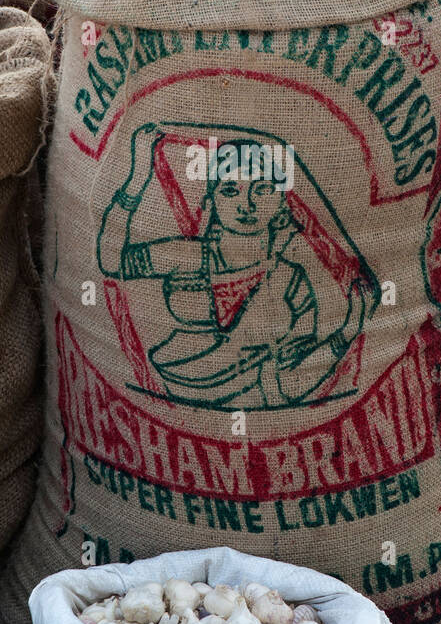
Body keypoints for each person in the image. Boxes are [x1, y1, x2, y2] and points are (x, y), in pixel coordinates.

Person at [97, 123, 369, 410]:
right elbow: (111, 262)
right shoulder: (188, 256)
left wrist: (348, 331)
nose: (246, 204)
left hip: (258, 417)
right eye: (230, 190)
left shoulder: (290, 281)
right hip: (168, 401)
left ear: (281, 201)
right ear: (212, 200)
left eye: (262, 189)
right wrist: (137, 178)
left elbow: (291, 384)